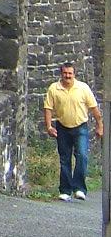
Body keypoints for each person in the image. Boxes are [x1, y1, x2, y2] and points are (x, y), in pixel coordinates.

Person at [44, 62, 104, 201]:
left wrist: (99, 125)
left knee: (82, 156)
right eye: (65, 73)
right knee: (65, 159)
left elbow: (94, 108)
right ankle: (65, 190)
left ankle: (79, 188)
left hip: (80, 127)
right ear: (61, 74)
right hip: (62, 127)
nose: (67, 76)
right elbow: (48, 108)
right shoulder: (54, 88)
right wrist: (49, 126)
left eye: (70, 73)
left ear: (74, 74)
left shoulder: (83, 88)